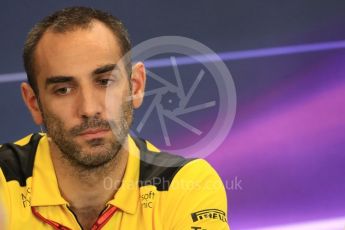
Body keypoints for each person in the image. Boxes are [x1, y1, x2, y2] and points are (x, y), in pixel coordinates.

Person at [0, 6, 230, 230]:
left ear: (136, 86)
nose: (89, 109)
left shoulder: (184, 185)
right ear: (34, 102)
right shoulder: (4, 178)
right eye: (63, 90)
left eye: (105, 81)